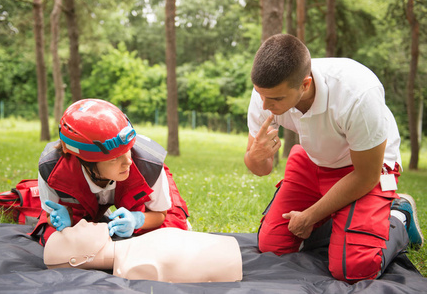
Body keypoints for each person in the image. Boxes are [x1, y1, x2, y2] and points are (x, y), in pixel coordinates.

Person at [244, 34, 424, 283]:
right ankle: (342, 220)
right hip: (313, 159)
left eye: (275, 99)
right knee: (272, 246)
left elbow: (366, 176)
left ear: (304, 85)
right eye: (260, 95)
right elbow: (260, 168)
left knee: (355, 268)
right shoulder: (266, 93)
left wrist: (310, 215)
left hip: (367, 167)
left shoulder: (358, 94)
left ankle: (399, 216)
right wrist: (254, 156)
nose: (264, 105)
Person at [30, 99, 189, 245]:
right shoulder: (51, 170)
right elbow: (50, 216)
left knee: (172, 233)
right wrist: (61, 220)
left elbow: (161, 214)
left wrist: (138, 219)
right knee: (56, 242)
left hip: (136, 192)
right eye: (114, 159)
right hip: (82, 199)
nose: (128, 161)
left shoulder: (149, 165)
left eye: (128, 151)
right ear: (85, 161)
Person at [43, 219, 243, 283]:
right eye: (71, 232)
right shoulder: (135, 267)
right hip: (229, 264)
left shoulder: (133, 250)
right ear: (76, 260)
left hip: (227, 252)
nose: (82, 222)